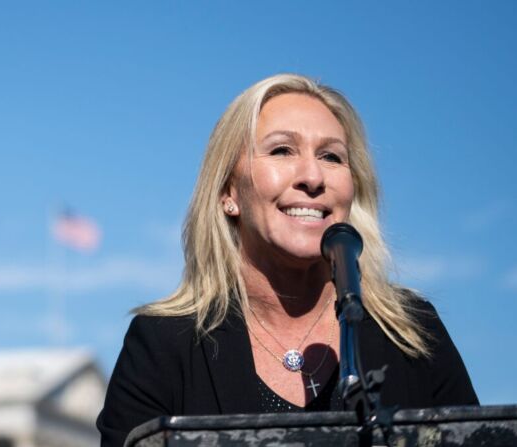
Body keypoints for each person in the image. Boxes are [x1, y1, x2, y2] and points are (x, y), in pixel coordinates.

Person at [96, 74, 478, 447]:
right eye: (282, 150)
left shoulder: (413, 333)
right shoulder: (163, 345)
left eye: (331, 156)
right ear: (229, 192)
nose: (312, 176)